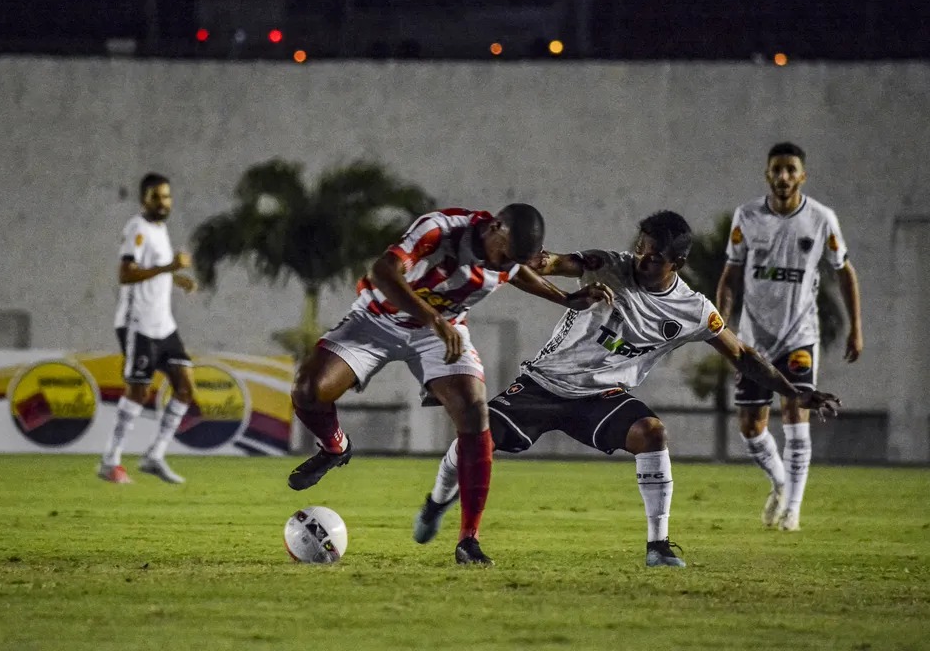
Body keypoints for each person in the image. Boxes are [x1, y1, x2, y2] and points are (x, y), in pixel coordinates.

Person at [412, 210, 841, 567]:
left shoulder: (695, 310)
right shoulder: (607, 264)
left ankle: (658, 546)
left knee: (652, 432)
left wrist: (795, 392)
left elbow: (743, 355)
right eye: (640, 247)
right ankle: (437, 502)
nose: (641, 259)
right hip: (542, 385)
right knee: (477, 437)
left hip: (603, 398)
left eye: (653, 257)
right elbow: (551, 263)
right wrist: (523, 255)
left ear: (678, 262)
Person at [288, 204, 612, 565]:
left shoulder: (507, 259)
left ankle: (468, 540)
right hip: (379, 320)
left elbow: (517, 272)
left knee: (475, 416)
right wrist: (432, 318)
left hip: (442, 333)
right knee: (308, 390)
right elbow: (383, 271)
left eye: (514, 260)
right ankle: (335, 448)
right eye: (505, 255)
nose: (505, 265)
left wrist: (565, 299)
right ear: (495, 228)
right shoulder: (440, 229)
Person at [716, 142, 863, 531]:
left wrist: (855, 328)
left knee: (797, 414)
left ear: (802, 175)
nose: (783, 176)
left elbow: (844, 271)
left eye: (790, 169)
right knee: (750, 427)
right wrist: (720, 327)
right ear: (767, 174)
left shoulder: (820, 218)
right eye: (776, 170)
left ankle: (793, 511)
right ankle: (781, 483)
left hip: (799, 335)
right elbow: (731, 275)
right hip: (752, 340)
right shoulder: (746, 216)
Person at [99, 173, 199, 484]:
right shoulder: (137, 229)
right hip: (138, 324)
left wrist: (174, 278)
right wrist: (170, 267)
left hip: (164, 324)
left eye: (167, 196)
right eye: (157, 197)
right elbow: (126, 274)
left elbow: (149, 270)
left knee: (185, 387)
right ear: (144, 199)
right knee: (139, 392)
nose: (164, 202)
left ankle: (155, 455)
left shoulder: (160, 229)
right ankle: (110, 460)